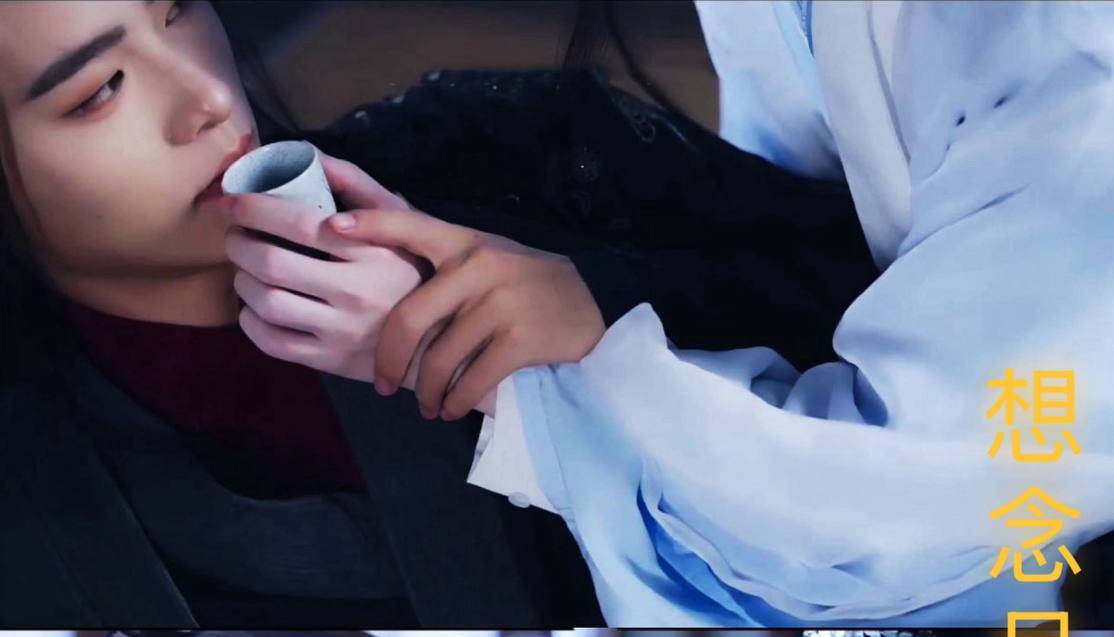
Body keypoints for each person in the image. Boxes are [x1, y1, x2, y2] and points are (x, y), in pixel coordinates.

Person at [0, 0, 880, 627]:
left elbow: (885, 323)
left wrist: (596, 306)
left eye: (179, 9)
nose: (207, 99)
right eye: (100, 91)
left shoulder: (501, 154)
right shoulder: (38, 518)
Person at [246, 0, 1114, 628]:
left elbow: (932, 496)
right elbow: (809, 228)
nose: (203, 106)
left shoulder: (1054, 47)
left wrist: (569, 361)